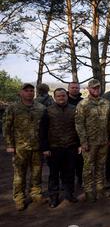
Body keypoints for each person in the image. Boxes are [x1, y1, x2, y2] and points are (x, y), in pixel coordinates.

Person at [3, 83, 46, 211]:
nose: (29, 93)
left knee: (37, 173)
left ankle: (36, 194)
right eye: (26, 91)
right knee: (19, 175)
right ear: (21, 93)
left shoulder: (41, 108)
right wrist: (10, 144)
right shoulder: (13, 108)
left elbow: (45, 128)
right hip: (20, 147)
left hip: (37, 147)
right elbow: (7, 127)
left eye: (31, 90)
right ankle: (19, 198)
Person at [39, 88, 79, 207]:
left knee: (70, 172)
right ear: (55, 97)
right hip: (54, 148)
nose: (61, 98)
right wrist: (45, 148)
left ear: (66, 96)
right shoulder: (48, 111)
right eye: (58, 96)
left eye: (63, 96)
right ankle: (54, 197)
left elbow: (78, 128)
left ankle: (69, 194)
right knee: (54, 174)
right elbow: (43, 130)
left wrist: (79, 144)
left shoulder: (74, 109)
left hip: (70, 147)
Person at [75, 79, 110, 202]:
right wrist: (83, 142)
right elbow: (79, 124)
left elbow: (109, 121)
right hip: (89, 142)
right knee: (88, 168)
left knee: (101, 166)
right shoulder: (83, 104)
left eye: (98, 87)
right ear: (89, 89)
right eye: (93, 88)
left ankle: (101, 190)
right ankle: (89, 191)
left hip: (103, 141)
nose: (96, 90)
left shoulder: (105, 103)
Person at [67, 82, 84, 188]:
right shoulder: (64, 100)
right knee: (68, 163)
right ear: (68, 89)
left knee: (81, 162)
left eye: (77, 88)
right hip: (67, 136)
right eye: (72, 88)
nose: (75, 89)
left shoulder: (82, 102)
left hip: (80, 136)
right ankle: (68, 184)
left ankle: (80, 180)